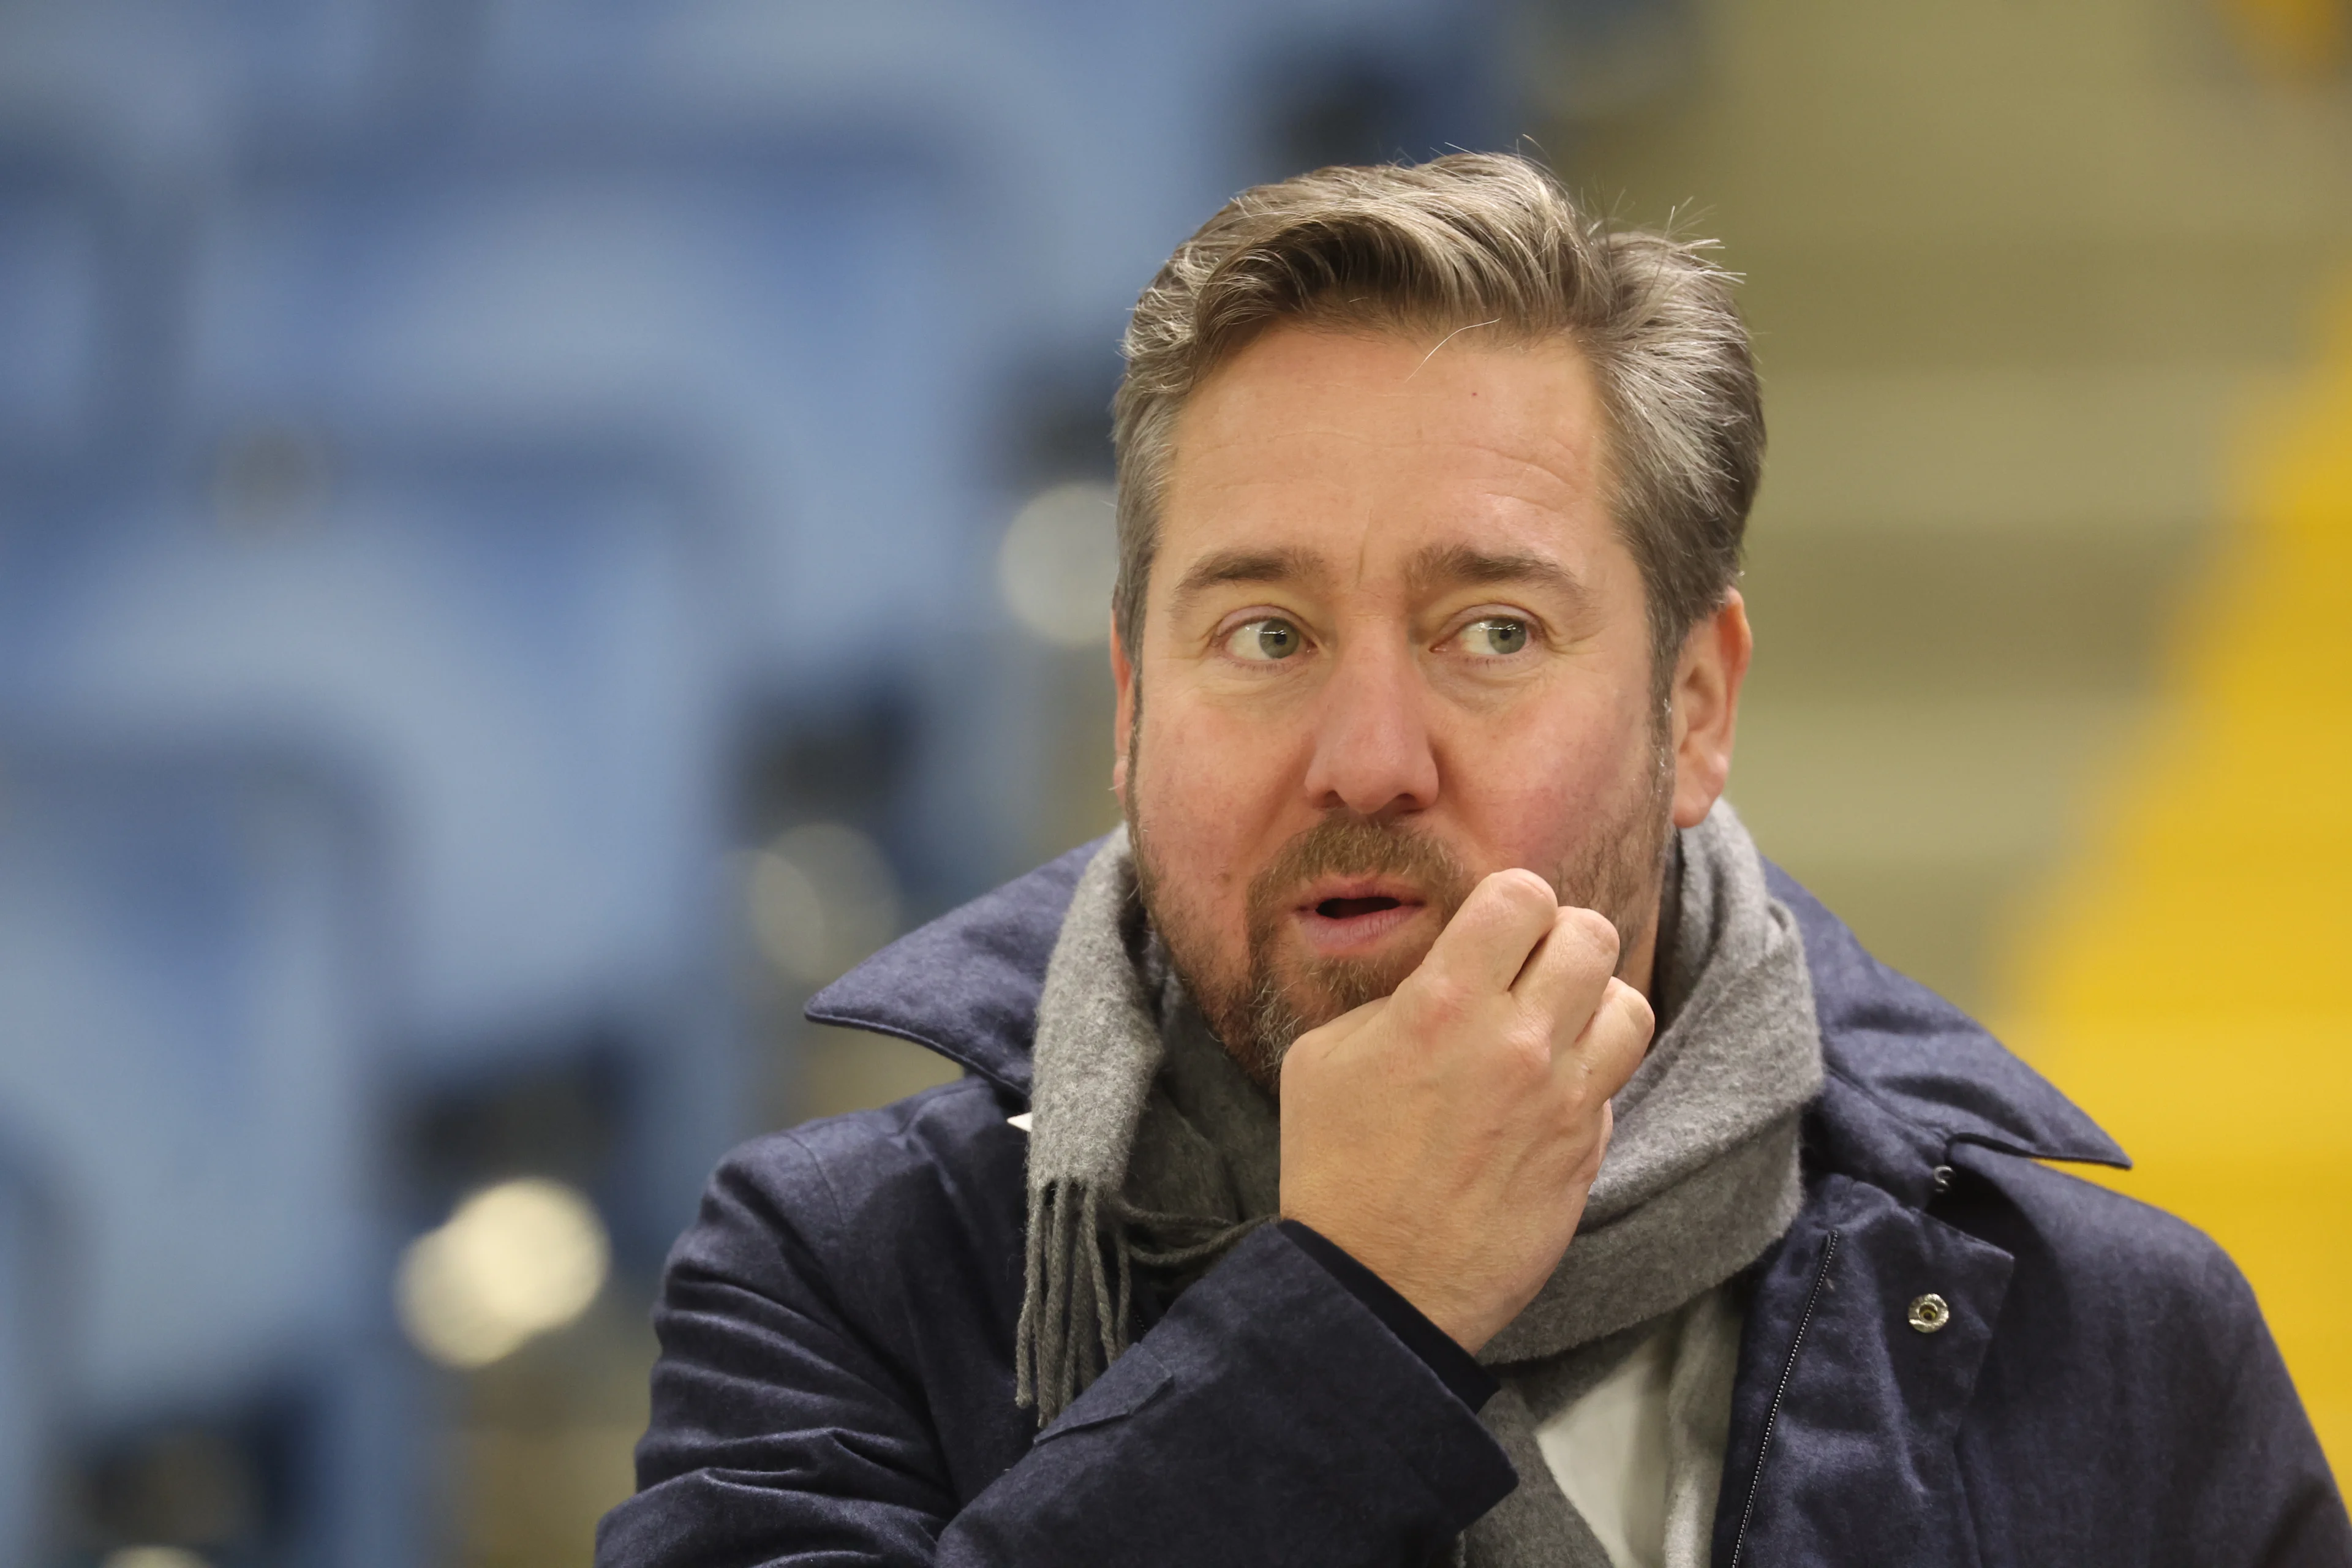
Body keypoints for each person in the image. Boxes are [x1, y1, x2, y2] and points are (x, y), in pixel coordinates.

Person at [597, 154, 2348, 1567]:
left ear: (1696, 701)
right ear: (1132, 706)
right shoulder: (843, 1276)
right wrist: (1350, 1313)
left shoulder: (2107, 1347)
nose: (1369, 756)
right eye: (1267, 636)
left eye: (1491, 631)